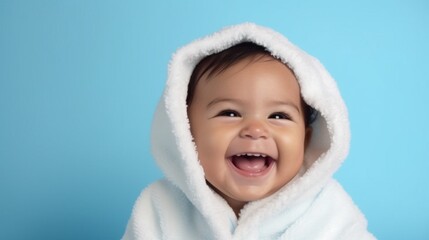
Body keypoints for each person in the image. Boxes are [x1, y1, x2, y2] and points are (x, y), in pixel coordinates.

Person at [122, 23, 375, 239]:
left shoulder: (328, 209)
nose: (255, 129)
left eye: (278, 116)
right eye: (230, 113)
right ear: (185, 133)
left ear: (305, 139)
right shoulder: (159, 206)